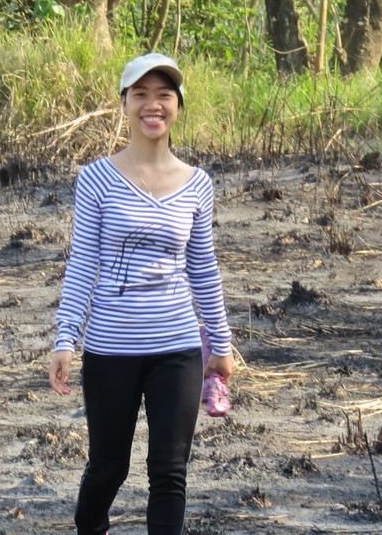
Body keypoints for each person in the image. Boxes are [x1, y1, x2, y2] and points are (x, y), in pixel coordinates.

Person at [49, 52, 234, 535]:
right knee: (108, 468)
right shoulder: (96, 178)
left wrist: (221, 343)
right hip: (111, 348)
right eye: (141, 94)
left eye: (164, 95)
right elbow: (82, 263)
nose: (153, 104)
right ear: (125, 104)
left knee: (169, 474)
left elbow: (203, 268)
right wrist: (65, 339)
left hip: (177, 347)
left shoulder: (197, 184)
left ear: (178, 106)